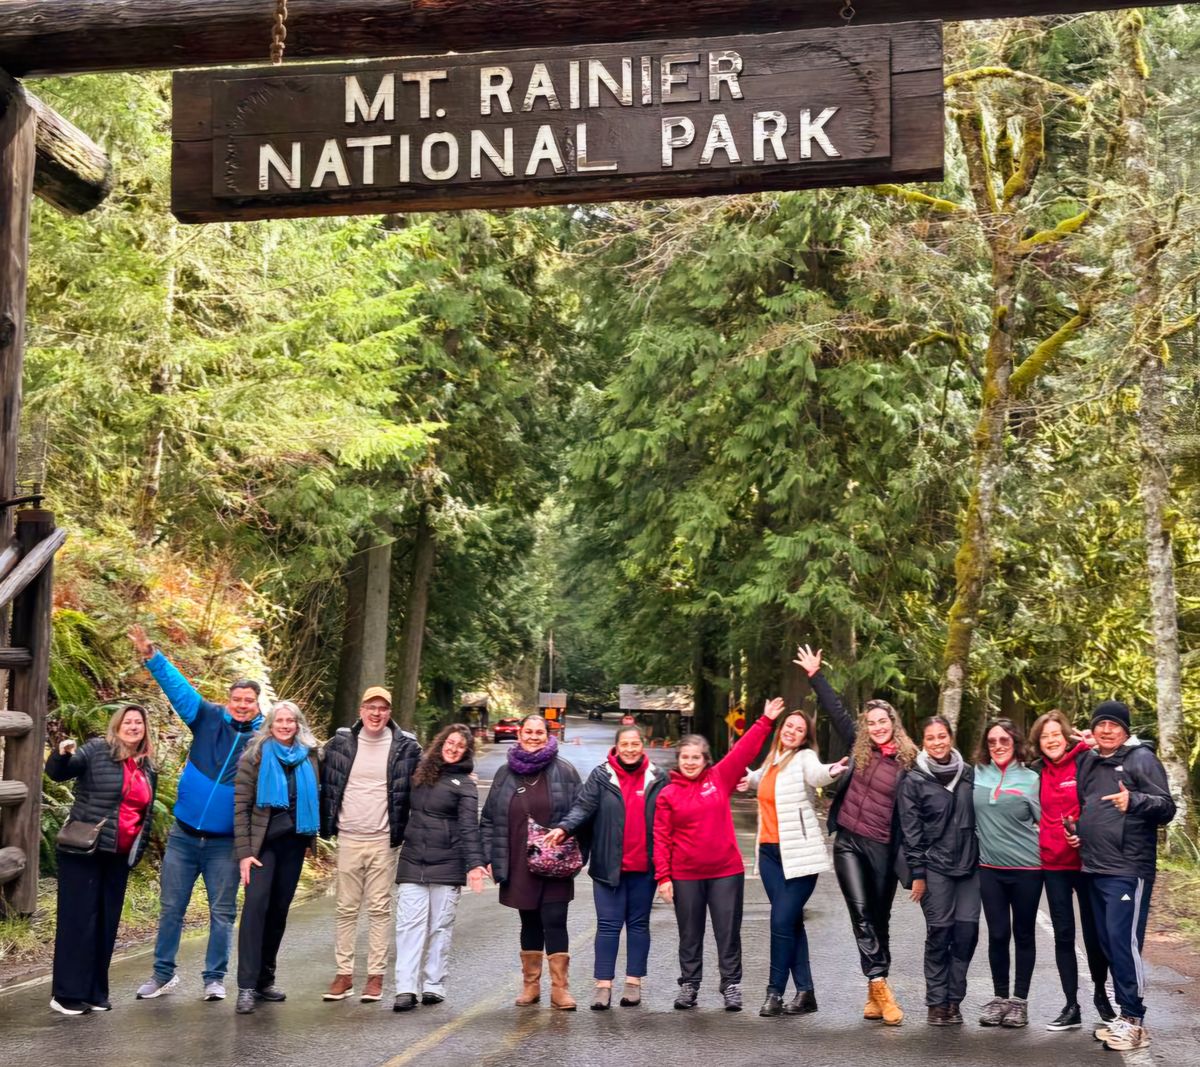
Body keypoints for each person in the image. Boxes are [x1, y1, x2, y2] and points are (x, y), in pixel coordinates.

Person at [129, 624, 263, 1003]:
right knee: (172, 907)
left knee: (222, 913)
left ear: (257, 703)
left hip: (225, 844)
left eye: (248, 700)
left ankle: (214, 978)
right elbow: (178, 688)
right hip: (184, 836)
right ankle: (162, 974)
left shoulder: (263, 738)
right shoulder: (205, 717)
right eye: (236, 698)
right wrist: (151, 656)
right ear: (228, 699)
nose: (241, 704)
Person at [794, 644, 916, 1026]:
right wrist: (816, 675)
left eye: (883, 722)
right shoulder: (857, 746)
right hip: (849, 841)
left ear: (894, 724)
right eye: (872, 723)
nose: (877, 727)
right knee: (861, 915)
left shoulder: (910, 763)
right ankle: (880, 984)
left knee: (880, 920)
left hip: (884, 848)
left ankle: (873, 992)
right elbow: (836, 710)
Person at [654, 699, 782, 1012]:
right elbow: (661, 838)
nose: (690, 762)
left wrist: (764, 721)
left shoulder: (719, 778)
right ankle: (689, 985)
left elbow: (744, 751)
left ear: (705, 759)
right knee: (690, 934)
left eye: (696, 757)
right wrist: (664, 877)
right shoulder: (668, 793)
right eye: (685, 757)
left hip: (725, 872)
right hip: (685, 876)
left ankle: (731, 985)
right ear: (678, 759)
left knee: (727, 932)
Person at [1074, 700, 1176, 1052]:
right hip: (1093, 867)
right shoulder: (1089, 760)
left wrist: (1134, 801)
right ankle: (1122, 1016)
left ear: (1125, 729)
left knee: (1122, 942)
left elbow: (1166, 808)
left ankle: (1134, 1020)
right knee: (1106, 944)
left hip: (1128, 869)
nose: (1106, 730)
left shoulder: (1141, 759)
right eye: (1100, 724)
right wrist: (1079, 831)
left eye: (1113, 725)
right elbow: (1087, 805)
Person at [544, 724, 668, 1010]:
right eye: (624, 744)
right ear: (616, 746)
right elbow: (582, 808)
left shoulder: (658, 777)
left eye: (635, 743)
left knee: (638, 925)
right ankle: (603, 986)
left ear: (643, 745)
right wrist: (563, 829)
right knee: (608, 926)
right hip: (607, 867)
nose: (629, 749)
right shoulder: (602, 775)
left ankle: (634, 982)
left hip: (645, 868)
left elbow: (669, 816)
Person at [45, 705, 157, 1015]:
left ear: (145, 729)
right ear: (117, 726)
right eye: (128, 722)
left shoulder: (148, 767)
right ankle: (66, 994)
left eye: (139, 722)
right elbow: (58, 773)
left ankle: (94, 991)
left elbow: (144, 816)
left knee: (106, 923)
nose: (133, 727)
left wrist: (138, 850)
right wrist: (63, 754)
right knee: (79, 921)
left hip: (118, 856)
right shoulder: (96, 750)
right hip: (84, 850)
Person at [320, 686, 421, 1003]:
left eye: (382, 708)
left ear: (390, 713)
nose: (376, 713)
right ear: (360, 710)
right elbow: (314, 770)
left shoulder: (406, 747)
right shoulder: (339, 744)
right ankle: (344, 975)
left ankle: (375, 977)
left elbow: (426, 778)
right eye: (370, 707)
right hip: (348, 836)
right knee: (345, 909)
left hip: (384, 840)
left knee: (379, 909)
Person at [745, 703, 847, 1018]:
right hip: (769, 856)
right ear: (781, 729)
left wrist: (833, 770)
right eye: (788, 726)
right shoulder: (772, 760)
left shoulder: (804, 758)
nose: (792, 731)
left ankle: (774, 993)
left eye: (799, 730)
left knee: (780, 922)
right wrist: (745, 778)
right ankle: (806, 993)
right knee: (790, 923)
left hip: (800, 857)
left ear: (805, 738)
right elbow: (758, 781)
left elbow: (817, 773)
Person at [479, 714, 585, 1010]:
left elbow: (583, 813)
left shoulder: (565, 771)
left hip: (555, 863)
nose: (534, 736)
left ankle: (560, 989)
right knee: (529, 921)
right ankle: (531, 986)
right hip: (517, 862)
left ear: (548, 735)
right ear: (519, 734)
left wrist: (574, 848)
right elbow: (488, 819)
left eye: (540, 732)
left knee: (554, 920)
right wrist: (488, 856)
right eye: (529, 731)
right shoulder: (504, 774)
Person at [232, 700, 321, 1015]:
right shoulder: (254, 756)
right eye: (280, 720)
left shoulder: (309, 756)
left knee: (279, 912)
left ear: (298, 725)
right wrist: (244, 854)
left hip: (294, 844)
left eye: (291, 721)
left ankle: (264, 981)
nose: (285, 725)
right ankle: (245, 987)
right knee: (256, 908)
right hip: (262, 846)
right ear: (270, 724)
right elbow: (241, 808)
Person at [392, 724, 487, 1012]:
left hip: (448, 862)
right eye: (450, 742)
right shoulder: (419, 772)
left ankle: (433, 985)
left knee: (439, 926)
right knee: (409, 926)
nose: (454, 748)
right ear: (441, 742)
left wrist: (475, 865)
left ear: (466, 751)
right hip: (412, 860)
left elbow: (470, 827)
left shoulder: (466, 784)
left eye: (460, 745)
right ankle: (405, 988)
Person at [1029, 709, 1113, 1031]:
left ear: (1066, 736)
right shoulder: (1037, 771)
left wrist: (1084, 830)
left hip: (1087, 863)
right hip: (1053, 865)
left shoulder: (1086, 761)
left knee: (1094, 934)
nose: (1051, 740)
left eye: (1055, 734)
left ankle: (1102, 998)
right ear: (1039, 742)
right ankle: (1070, 1005)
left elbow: (1100, 801)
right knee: (1064, 934)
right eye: (1045, 736)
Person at [898, 715, 979, 1026]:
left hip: (970, 867)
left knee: (966, 933)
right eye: (931, 737)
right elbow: (911, 831)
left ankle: (954, 1000)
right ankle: (936, 1002)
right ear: (923, 742)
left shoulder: (969, 773)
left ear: (951, 737)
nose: (937, 742)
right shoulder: (914, 779)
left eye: (942, 736)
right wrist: (918, 873)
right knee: (940, 932)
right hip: (935, 868)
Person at [973, 717, 1042, 1029]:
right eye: (992, 742)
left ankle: (1019, 1002)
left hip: (1027, 869)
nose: (998, 746)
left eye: (1004, 741)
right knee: (998, 934)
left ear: (1015, 743)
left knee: (1023, 934)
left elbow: (1046, 823)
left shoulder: (1031, 779)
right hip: (989, 869)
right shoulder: (976, 774)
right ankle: (1000, 998)